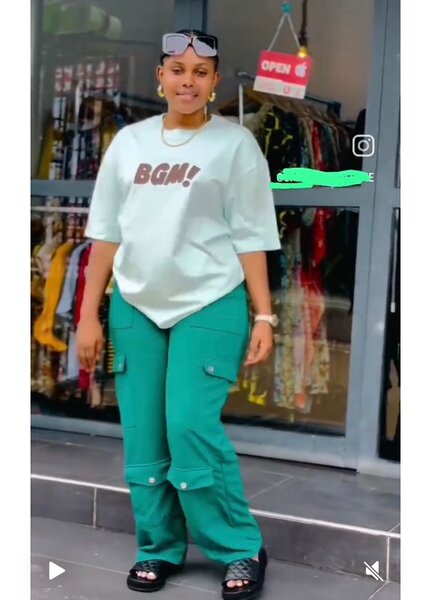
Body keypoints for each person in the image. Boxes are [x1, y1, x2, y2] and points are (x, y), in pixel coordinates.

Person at [76, 29, 281, 599]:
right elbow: (105, 236)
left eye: (200, 72)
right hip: (136, 303)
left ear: (214, 83)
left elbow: (252, 235)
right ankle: (158, 547)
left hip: (210, 299)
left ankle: (239, 547)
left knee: (189, 425)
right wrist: (89, 315)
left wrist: (264, 316)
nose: (187, 81)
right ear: (160, 77)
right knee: (144, 435)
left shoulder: (235, 144)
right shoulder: (129, 143)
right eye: (177, 70)